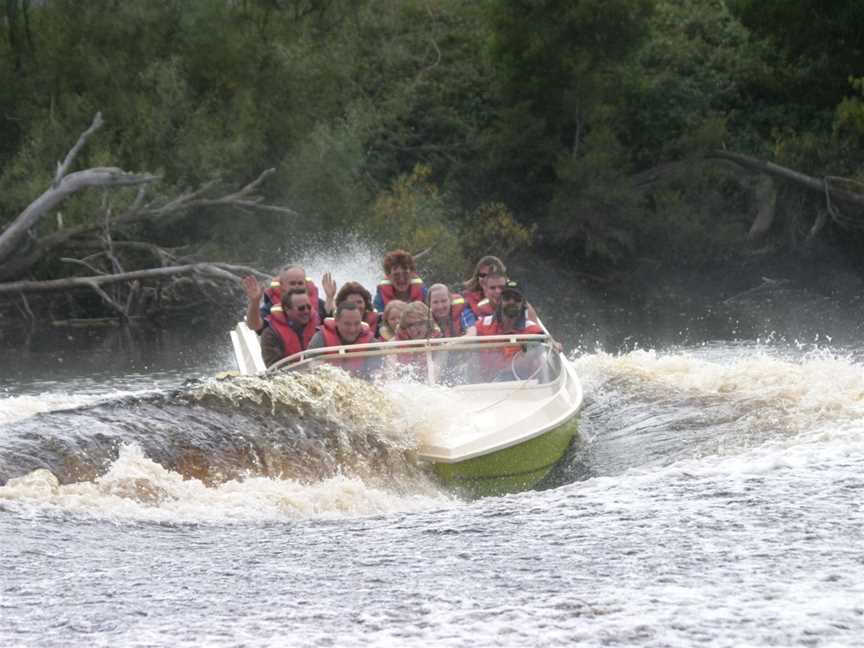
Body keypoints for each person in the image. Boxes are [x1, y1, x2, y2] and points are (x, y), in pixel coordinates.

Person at [467, 280, 547, 381]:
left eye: (517, 299)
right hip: (484, 388)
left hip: (523, 387)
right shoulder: (484, 324)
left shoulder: (532, 330)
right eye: (507, 298)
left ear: (523, 304)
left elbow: (543, 347)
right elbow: (470, 335)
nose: (511, 302)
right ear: (500, 301)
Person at [243, 266, 336, 332]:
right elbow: (254, 326)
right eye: (292, 283)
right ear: (282, 285)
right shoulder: (272, 307)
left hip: (315, 355)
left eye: (300, 283)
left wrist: (330, 297)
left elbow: (329, 318)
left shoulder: (314, 303)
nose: (296, 287)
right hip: (286, 357)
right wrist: (254, 302)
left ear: (305, 284)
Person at [307, 301, 378, 376]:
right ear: (336, 321)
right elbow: (310, 370)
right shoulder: (320, 339)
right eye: (347, 324)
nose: (352, 329)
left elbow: (378, 374)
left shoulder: (371, 344)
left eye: (357, 323)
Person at [259, 289, 319, 368]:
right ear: (287, 309)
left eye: (309, 307)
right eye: (301, 308)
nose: (306, 311)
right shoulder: (270, 334)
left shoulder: (318, 325)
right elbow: (274, 367)